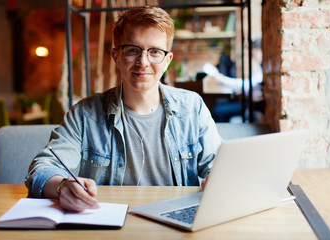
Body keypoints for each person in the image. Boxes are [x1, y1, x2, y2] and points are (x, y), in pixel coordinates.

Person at [25, 6, 222, 212]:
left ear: (167, 60)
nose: (143, 62)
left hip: (176, 221)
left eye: (154, 52)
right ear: (116, 56)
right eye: (132, 50)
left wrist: (218, 179)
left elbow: (219, 165)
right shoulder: (84, 115)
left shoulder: (192, 107)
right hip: (109, 221)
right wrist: (63, 186)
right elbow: (42, 168)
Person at [203, 39, 264, 122]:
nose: (251, 54)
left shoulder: (264, 68)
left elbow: (247, 85)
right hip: (249, 102)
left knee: (218, 110)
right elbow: (248, 85)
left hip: (251, 105)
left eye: (252, 51)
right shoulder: (261, 67)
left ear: (260, 50)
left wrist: (222, 79)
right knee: (219, 108)